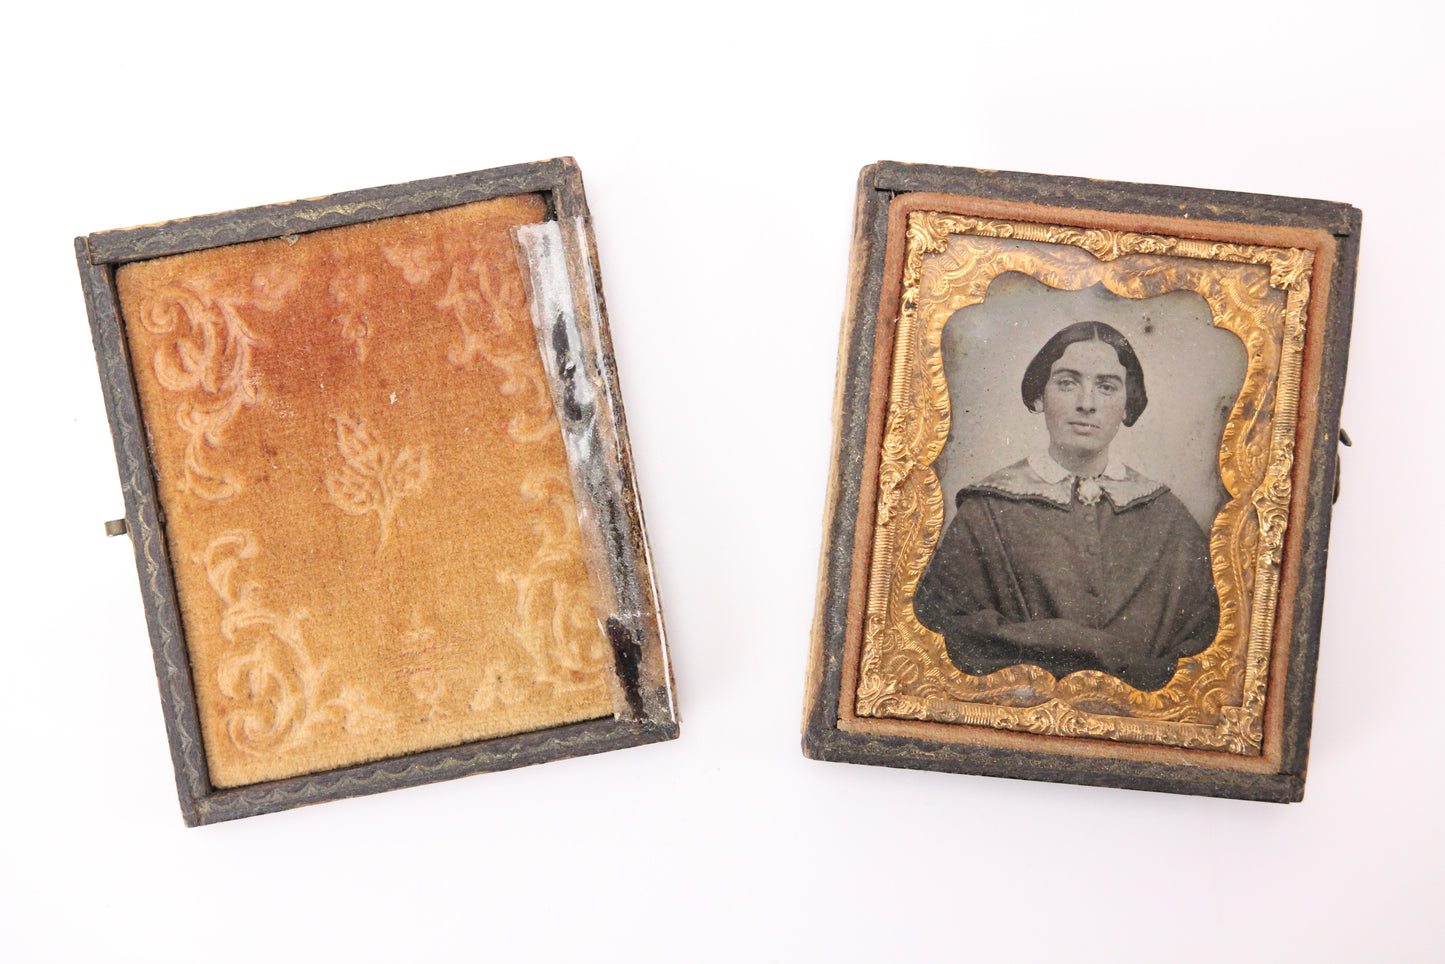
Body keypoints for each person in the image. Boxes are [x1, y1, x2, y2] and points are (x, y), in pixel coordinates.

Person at [913, 321, 1219, 692]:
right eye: (1067, 382)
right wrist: (1081, 644)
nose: (1086, 404)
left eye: (1106, 387)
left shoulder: (1169, 519)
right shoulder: (986, 512)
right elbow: (943, 632)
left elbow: (1202, 650)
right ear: (1039, 396)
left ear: (1127, 403)